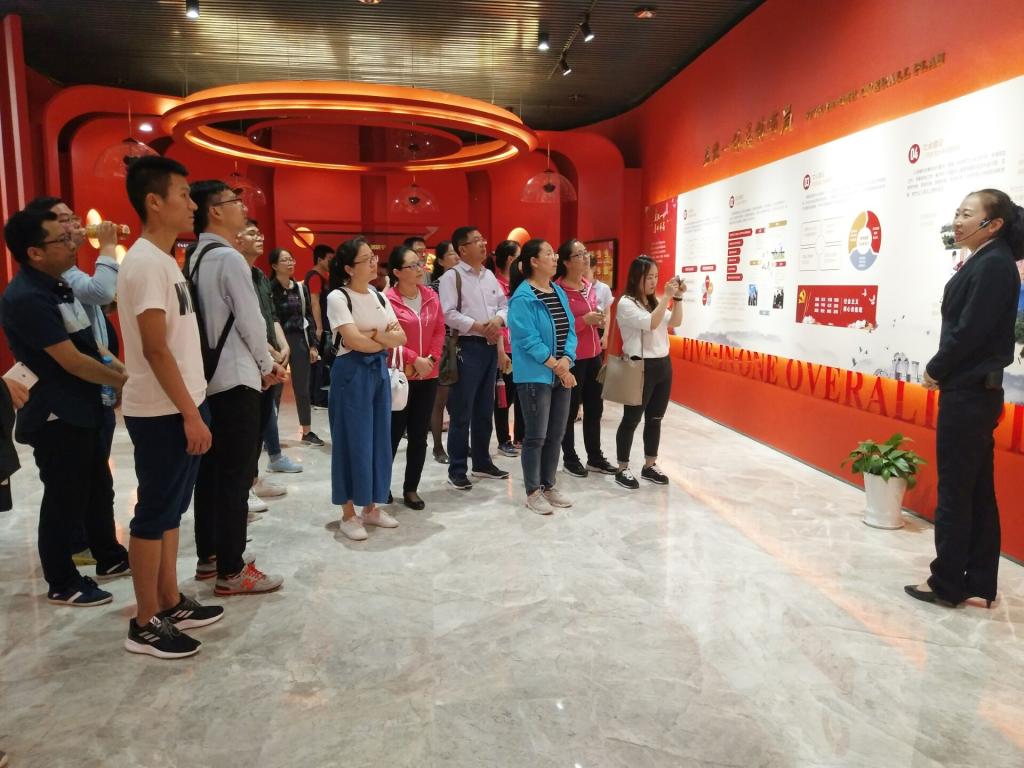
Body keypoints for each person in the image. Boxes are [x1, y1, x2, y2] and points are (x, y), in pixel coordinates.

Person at [117, 155, 223, 658]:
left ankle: (169, 599)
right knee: (153, 514)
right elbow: (155, 349)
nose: (192, 204)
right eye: (183, 194)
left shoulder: (164, 260)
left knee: (171, 511)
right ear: (154, 202)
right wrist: (190, 413)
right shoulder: (142, 263)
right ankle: (144, 622)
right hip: (163, 412)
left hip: (180, 405)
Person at [1, 208, 130, 607]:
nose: (73, 242)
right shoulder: (27, 297)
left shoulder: (57, 285)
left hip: (82, 406)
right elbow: (71, 360)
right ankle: (62, 581)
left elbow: (89, 344)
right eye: (62, 239)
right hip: (56, 413)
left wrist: (118, 369)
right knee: (64, 498)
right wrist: (126, 382)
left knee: (96, 487)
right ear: (35, 252)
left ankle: (108, 554)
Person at [906, 189, 1024, 608]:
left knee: (957, 491)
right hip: (975, 393)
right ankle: (978, 580)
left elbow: (970, 330)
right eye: (957, 212)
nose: (957, 221)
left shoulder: (993, 264)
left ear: (993, 224)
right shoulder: (989, 260)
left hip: (969, 394)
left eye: (967, 214)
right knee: (975, 490)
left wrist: (936, 368)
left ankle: (947, 582)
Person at [188, 180, 287, 595]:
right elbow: (250, 320)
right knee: (235, 475)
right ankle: (232, 570)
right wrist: (268, 366)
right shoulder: (228, 258)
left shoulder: (196, 256)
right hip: (237, 377)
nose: (242, 208)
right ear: (214, 210)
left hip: (211, 379)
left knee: (212, 473)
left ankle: (210, 556)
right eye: (234, 202)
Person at [25, 196, 124, 564]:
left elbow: (92, 337)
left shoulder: (62, 278)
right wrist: (108, 246)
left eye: (73, 219)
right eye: (63, 222)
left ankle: (103, 550)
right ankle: (72, 556)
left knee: (96, 479)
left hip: (91, 393)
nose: (74, 228)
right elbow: (101, 295)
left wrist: (116, 372)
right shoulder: (41, 287)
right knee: (68, 486)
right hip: (63, 402)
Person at [326, 238, 406, 540]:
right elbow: (352, 341)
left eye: (373, 256)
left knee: (378, 440)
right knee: (351, 441)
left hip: (378, 372)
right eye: (366, 259)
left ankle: (371, 507)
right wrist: (379, 338)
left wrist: (372, 336)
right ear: (349, 268)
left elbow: (401, 338)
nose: (374, 262)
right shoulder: (338, 297)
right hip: (351, 374)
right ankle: (348, 513)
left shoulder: (378, 295)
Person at [236, 220, 301, 516]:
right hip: (249, 361)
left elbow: (270, 315)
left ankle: (252, 480)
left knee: (263, 419)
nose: (259, 237)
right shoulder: (234, 273)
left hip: (269, 356)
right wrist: (270, 351)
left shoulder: (259, 276)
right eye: (252, 233)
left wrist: (282, 344)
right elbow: (244, 322)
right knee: (247, 428)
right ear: (237, 239)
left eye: (259, 232)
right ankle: (243, 487)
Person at [508, 239, 577, 514]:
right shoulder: (523, 297)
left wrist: (567, 360)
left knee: (556, 434)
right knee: (536, 436)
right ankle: (533, 491)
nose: (555, 257)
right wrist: (557, 366)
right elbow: (527, 339)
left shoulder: (557, 291)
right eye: (549, 254)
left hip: (560, 371)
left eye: (554, 253)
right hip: (535, 376)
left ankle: (549, 485)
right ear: (534, 261)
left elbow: (570, 329)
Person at [439, 226, 510, 490]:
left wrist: (497, 321)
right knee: (461, 411)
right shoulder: (452, 277)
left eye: (483, 239)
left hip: (489, 346)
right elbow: (448, 313)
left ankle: (482, 462)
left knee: (484, 408)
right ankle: (457, 468)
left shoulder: (489, 275)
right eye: (476, 241)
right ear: (462, 249)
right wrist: (479, 326)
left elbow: (504, 305)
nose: (483, 244)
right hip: (466, 347)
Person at [613, 255, 684, 490]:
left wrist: (678, 298)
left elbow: (676, 321)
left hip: (663, 365)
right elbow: (651, 323)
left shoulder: (655, 302)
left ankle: (650, 464)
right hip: (639, 366)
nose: (654, 281)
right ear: (637, 278)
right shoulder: (626, 303)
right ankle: (622, 468)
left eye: (656, 276)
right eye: (649, 277)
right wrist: (667, 297)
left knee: (655, 418)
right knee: (631, 419)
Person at [385, 245, 445, 509]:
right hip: (399, 375)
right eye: (412, 265)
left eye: (420, 263)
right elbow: (386, 339)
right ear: (397, 272)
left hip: (428, 375)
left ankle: (411, 489)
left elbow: (439, 331)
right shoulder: (387, 300)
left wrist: (430, 360)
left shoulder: (431, 296)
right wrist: (414, 359)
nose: (420, 268)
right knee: (392, 434)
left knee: (419, 435)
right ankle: (381, 485)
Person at [556, 239, 618, 476]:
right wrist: (584, 321)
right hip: (572, 358)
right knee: (570, 411)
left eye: (585, 253)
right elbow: (558, 326)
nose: (585, 258)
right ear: (566, 262)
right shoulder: (559, 290)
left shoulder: (588, 286)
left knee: (595, 408)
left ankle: (595, 457)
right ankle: (570, 458)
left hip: (593, 356)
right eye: (579, 254)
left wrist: (598, 322)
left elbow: (595, 316)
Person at [269, 247, 323, 446]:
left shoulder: (300, 288)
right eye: (285, 260)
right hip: (278, 344)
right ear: (275, 266)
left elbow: (307, 316)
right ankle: (270, 434)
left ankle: (307, 431)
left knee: (302, 388)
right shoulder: (269, 289)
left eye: (291, 259)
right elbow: (269, 319)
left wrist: (313, 345)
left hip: (299, 340)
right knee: (275, 390)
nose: (290, 263)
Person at [492, 240, 523, 457]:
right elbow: (497, 321)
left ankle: (521, 436)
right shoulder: (495, 285)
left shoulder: (520, 285)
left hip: (521, 348)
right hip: (505, 348)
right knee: (504, 396)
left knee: (522, 395)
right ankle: (504, 440)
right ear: (511, 259)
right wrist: (501, 351)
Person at [429, 240, 458, 462]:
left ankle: (459, 444)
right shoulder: (434, 288)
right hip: (445, 344)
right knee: (441, 399)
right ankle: (438, 447)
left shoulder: (464, 283)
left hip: (465, 344)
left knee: (460, 401)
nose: (456, 257)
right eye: (451, 254)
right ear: (440, 260)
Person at [305, 243, 333, 408]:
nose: (331, 262)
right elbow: (315, 303)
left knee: (321, 364)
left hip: (324, 326)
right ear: (320, 259)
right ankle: (316, 397)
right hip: (319, 327)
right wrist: (319, 327)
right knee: (318, 363)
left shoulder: (325, 277)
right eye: (329, 259)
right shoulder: (315, 277)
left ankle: (317, 396)